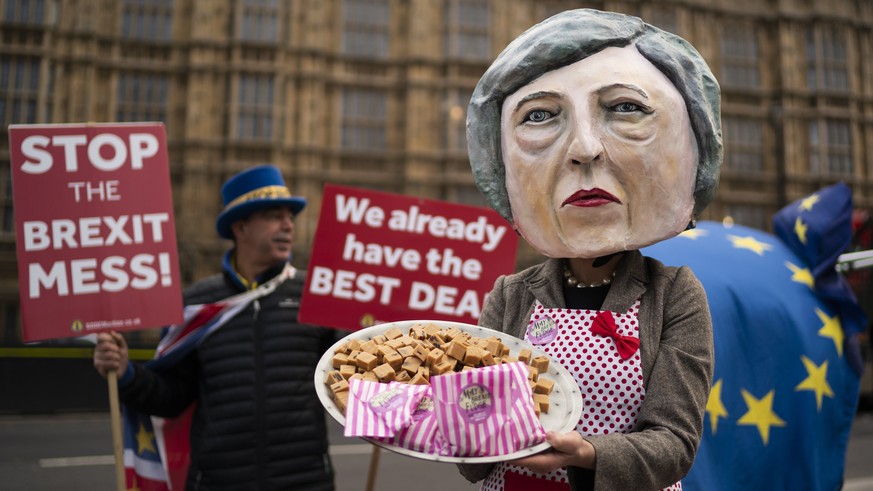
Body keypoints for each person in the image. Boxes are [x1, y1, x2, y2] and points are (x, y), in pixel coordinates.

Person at [458, 9, 719, 491]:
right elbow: (472, 458)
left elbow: (675, 444)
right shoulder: (510, 295)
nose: (584, 148)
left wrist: (590, 454)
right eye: (538, 116)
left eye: (625, 108)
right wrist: (434, 419)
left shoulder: (675, 295)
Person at [93, 164, 336, 491]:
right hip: (218, 482)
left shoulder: (314, 294)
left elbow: (351, 375)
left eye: (290, 217)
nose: (288, 226)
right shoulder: (196, 303)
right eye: (275, 216)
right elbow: (173, 396)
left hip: (305, 482)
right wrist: (126, 374)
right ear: (241, 226)